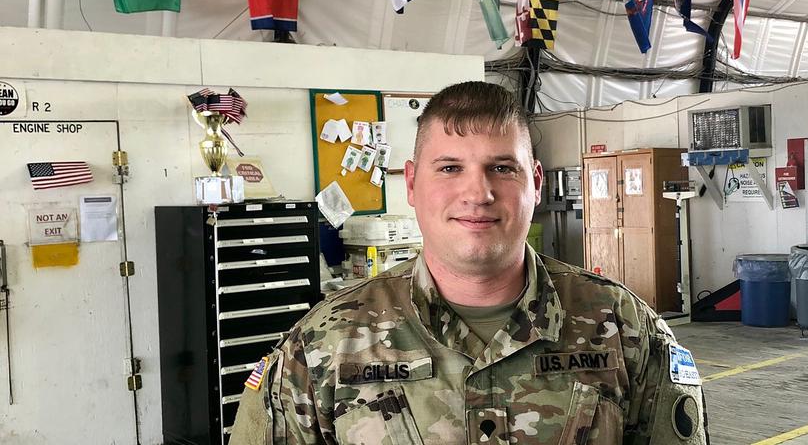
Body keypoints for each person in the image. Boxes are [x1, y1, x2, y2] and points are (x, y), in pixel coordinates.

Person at [230, 81, 709, 444]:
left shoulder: (625, 329)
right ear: (412, 185)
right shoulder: (323, 344)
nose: (478, 193)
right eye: (450, 168)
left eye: (502, 168)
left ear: (535, 183)